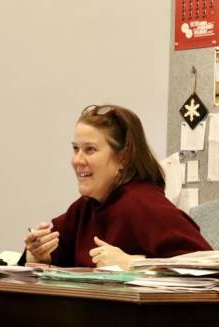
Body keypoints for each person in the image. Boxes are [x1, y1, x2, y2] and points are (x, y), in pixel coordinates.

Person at [22, 104, 211, 269]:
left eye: (90, 149)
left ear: (122, 158)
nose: (77, 160)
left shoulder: (143, 204)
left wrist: (134, 264)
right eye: (75, 149)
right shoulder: (85, 207)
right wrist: (39, 254)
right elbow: (59, 258)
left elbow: (205, 266)